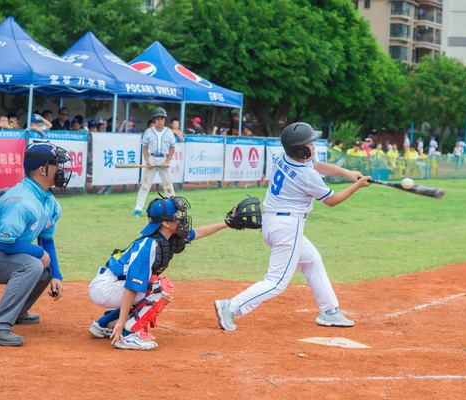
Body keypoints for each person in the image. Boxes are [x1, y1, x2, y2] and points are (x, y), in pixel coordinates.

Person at [214, 122, 371, 331]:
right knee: (276, 282)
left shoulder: (284, 156)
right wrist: (357, 186)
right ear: (300, 150)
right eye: (310, 144)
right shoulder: (307, 177)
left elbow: (315, 165)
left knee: (312, 260)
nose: (313, 147)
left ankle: (329, 311)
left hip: (272, 222)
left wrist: (346, 173)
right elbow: (331, 200)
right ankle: (231, 307)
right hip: (287, 227)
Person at [88, 195, 258, 349]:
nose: (182, 219)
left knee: (150, 284)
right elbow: (132, 287)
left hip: (112, 283)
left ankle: (103, 324)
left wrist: (227, 223)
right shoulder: (149, 246)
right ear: (166, 223)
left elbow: (197, 233)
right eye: (177, 216)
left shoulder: (164, 238)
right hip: (106, 288)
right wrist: (123, 321)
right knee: (161, 288)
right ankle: (127, 335)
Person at [0, 141, 72, 346]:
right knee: (32, 264)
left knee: (45, 267)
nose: (61, 169)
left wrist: (56, 274)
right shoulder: (21, 201)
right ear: (43, 169)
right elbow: (5, 244)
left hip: (2, 253)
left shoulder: (49, 201)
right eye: (57, 164)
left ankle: (18, 312)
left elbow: (46, 239)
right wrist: (36, 252)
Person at [133, 108, 176, 217]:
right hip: (152, 158)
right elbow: (145, 147)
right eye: (157, 119)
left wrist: (167, 162)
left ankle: (175, 209)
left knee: (168, 186)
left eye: (162, 118)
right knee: (145, 185)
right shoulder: (148, 131)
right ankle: (138, 209)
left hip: (164, 159)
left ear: (164, 120)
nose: (160, 121)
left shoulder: (169, 132)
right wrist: (147, 161)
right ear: (154, 120)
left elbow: (172, 148)